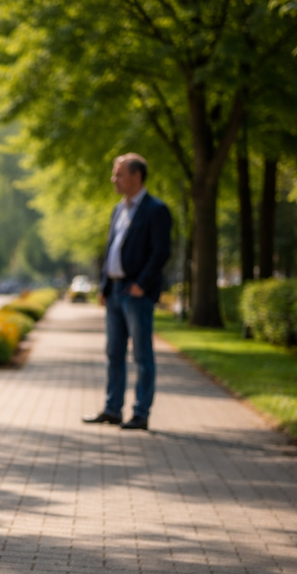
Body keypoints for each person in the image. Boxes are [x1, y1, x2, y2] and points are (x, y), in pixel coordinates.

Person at [83, 153, 172, 431]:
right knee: (114, 353)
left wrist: (141, 285)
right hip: (115, 291)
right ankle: (112, 409)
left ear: (137, 176)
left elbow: (160, 252)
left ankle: (141, 413)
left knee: (142, 355)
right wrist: (105, 286)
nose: (114, 179)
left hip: (136, 293)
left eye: (119, 174)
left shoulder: (156, 210)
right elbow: (111, 249)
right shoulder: (118, 209)